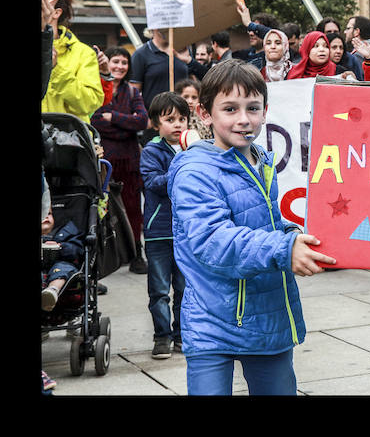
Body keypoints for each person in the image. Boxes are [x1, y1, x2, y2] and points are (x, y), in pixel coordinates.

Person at [168, 59, 337, 395]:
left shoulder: (259, 159)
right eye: (230, 108)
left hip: (266, 315)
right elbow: (214, 240)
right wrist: (283, 249)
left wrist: (292, 235)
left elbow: (265, 221)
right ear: (205, 114)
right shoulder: (194, 171)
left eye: (253, 108)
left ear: (265, 110)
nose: (244, 119)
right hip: (211, 319)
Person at [90, 46, 151, 273]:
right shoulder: (97, 89)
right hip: (104, 161)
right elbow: (95, 120)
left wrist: (113, 117)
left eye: (124, 63)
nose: (119, 67)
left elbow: (142, 121)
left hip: (129, 161)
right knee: (101, 209)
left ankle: (136, 253)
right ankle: (103, 257)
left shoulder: (134, 93)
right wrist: (125, 124)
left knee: (133, 209)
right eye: (115, 61)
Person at [140, 92, 190, 359]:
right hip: (158, 232)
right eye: (170, 119)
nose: (178, 124)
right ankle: (162, 337)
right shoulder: (152, 151)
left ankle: (182, 334)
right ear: (156, 124)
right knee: (159, 290)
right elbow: (153, 183)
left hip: (186, 232)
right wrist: (180, 170)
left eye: (182, 119)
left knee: (184, 287)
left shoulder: (191, 149)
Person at [41, 0, 105, 123]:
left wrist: (56, 69)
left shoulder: (84, 53)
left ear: (56, 13)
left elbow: (89, 103)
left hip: (66, 140)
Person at [130, 28, 190, 136]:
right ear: (153, 28)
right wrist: (143, 118)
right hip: (155, 124)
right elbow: (133, 93)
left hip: (182, 122)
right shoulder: (141, 54)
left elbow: (193, 82)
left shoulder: (183, 50)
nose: (166, 29)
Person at [41, 207, 86, 311]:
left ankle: (52, 291)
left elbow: (76, 249)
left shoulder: (67, 231)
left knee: (61, 269)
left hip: (61, 263)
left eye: (49, 213)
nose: (46, 216)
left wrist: (61, 246)